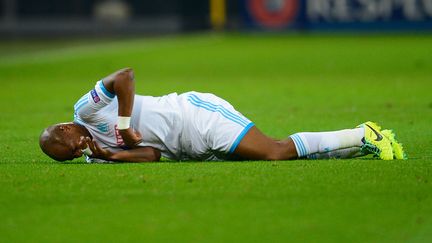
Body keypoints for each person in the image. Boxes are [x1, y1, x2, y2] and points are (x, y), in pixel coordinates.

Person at [39, 68, 406, 163]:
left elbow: (125, 76)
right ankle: (362, 145)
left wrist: (122, 127)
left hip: (195, 116)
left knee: (274, 151)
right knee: (270, 153)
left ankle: (363, 134)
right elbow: (153, 154)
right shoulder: (94, 154)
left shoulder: (85, 109)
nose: (78, 150)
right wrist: (112, 155)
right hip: (188, 147)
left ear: (66, 127)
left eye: (70, 144)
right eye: (71, 156)